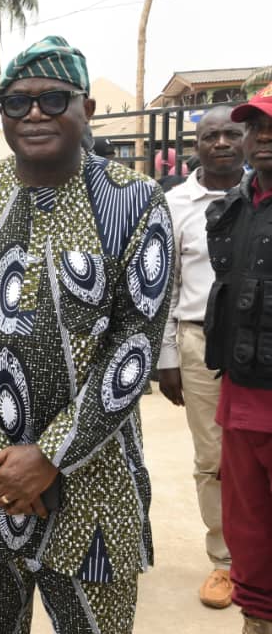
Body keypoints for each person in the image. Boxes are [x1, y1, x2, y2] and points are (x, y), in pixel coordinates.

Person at [0, 36, 172, 634]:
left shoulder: (135, 201)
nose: (34, 113)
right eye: (16, 102)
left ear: (84, 105)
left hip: (96, 481)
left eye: (53, 98)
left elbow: (135, 346)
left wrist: (50, 456)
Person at [157, 105, 243, 609]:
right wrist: (167, 354)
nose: (222, 143)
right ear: (197, 146)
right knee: (213, 459)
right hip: (198, 343)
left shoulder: (264, 197)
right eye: (210, 135)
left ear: (247, 138)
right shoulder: (175, 206)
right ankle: (225, 563)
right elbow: (164, 283)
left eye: (232, 133)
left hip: (262, 344)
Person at [204, 84, 272, 634]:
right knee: (246, 523)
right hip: (240, 392)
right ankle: (257, 617)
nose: (263, 137)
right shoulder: (231, 211)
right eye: (257, 128)